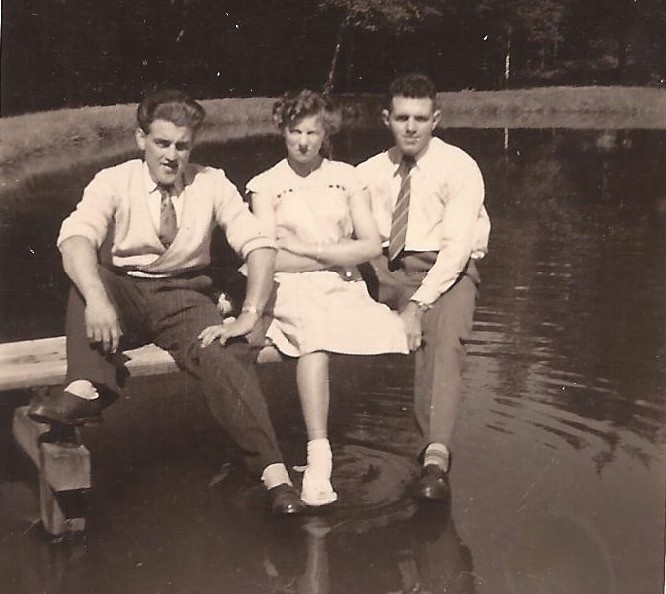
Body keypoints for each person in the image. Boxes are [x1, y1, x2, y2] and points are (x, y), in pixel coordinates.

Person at [27, 90, 306, 515]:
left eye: (182, 146)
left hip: (185, 297)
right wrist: (100, 301)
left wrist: (248, 315)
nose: (172, 156)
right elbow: (75, 238)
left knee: (225, 354)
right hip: (123, 290)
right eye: (162, 143)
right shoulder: (113, 180)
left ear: (192, 146)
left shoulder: (212, 182)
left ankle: (274, 475)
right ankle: (84, 387)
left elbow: (259, 244)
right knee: (87, 281)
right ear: (142, 139)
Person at [200, 90, 408, 507]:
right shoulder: (267, 185)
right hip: (287, 287)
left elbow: (369, 245)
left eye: (313, 132)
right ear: (283, 131)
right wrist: (329, 255)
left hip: (342, 285)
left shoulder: (347, 177)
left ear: (325, 133)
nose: (304, 141)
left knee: (397, 329)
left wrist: (313, 253)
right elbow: (267, 256)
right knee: (312, 338)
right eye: (295, 131)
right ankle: (319, 456)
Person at [356, 73, 491, 502]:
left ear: (436, 119)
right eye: (401, 118)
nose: (411, 127)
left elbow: (455, 251)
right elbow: (341, 233)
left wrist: (417, 305)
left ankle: (435, 458)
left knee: (445, 338)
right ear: (387, 119)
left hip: (445, 271)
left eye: (420, 118)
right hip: (385, 267)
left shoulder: (460, 167)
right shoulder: (368, 172)